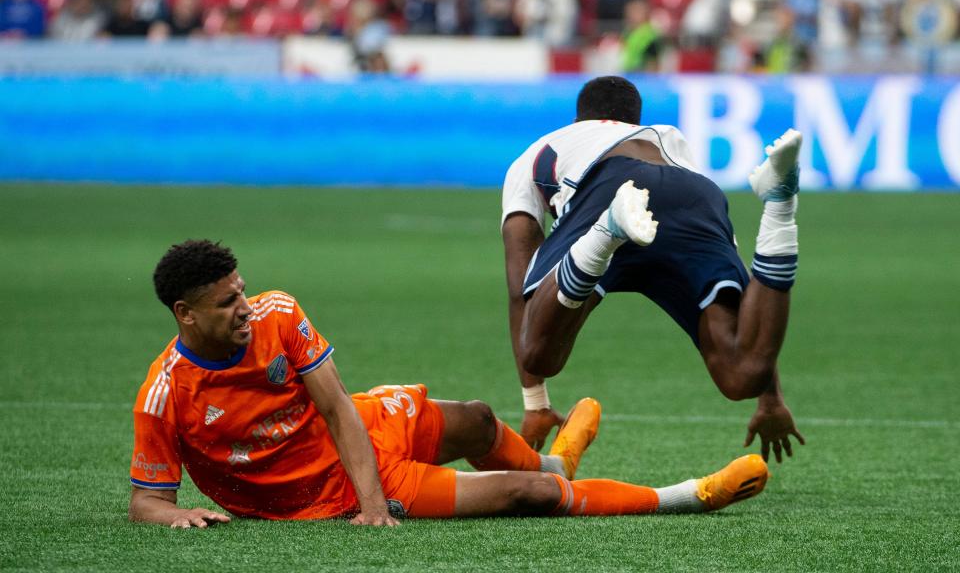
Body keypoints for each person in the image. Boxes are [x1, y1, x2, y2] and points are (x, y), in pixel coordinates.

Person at [129, 239, 769, 527]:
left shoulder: (278, 313)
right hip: (326, 493)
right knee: (531, 495)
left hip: (361, 434)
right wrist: (174, 513)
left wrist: (374, 499)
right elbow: (146, 501)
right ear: (185, 315)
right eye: (225, 303)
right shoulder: (165, 394)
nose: (243, 307)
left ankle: (557, 458)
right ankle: (690, 495)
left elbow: (335, 406)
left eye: (241, 291)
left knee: (481, 421)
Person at [501, 76, 805, 463]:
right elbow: (748, 304)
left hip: (606, 187)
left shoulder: (538, 152)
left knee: (539, 355)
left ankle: (606, 231)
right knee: (742, 374)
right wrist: (770, 398)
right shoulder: (667, 138)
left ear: (580, 117)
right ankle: (780, 205)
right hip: (692, 192)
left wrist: (535, 402)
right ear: (634, 118)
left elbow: (519, 284)